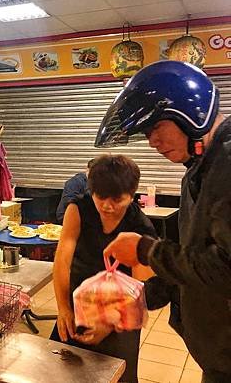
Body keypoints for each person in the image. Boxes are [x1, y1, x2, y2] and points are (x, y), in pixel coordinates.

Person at [95, 60, 231, 383]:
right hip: (218, 357)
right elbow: (190, 260)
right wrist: (136, 302)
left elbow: (226, 268)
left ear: (189, 110)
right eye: (146, 133)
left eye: (156, 127)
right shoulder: (198, 172)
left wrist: (146, 250)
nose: (152, 142)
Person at [51, 154, 155, 383]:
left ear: (131, 195)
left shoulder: (140, 227)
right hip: (78, 304)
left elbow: (142, 290)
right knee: (62, 372)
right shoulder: (78, 209)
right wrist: (63, 307)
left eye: (117, 199)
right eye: (100, 197)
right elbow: (62, 261)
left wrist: (109, 322)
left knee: (117, 376)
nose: (107, 206)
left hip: (121, 315)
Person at [55, 159, 96, 224]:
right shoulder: (74, 182)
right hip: (66, 216)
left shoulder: (98, 182)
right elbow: (70, 203)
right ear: (87, 170)